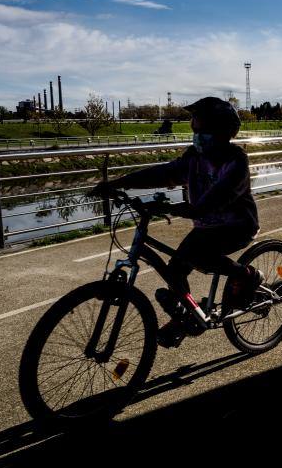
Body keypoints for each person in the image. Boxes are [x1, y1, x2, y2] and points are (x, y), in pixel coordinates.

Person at [89, 97, 262, 347]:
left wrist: (186, 209)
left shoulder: (236, 161)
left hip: (237, 226)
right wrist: (118, 183)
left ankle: (247, 275)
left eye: (203, 130)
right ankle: (185, 317)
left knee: (199, 258)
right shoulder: (194, 158)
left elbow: (220, 195)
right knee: (176, 270)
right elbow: (164, 173)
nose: (197, 135)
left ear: (223, 132)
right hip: (205, 226)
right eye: (195, 129)